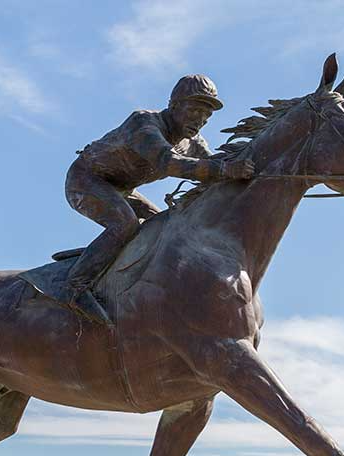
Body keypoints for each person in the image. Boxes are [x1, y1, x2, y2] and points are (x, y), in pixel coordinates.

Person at [62, 74, 255, 323]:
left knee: (162, 225)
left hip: (123, 189)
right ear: (174, 105)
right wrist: (225, 171)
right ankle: (75, 287)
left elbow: (212, 165)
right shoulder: (143, 123)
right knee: (125, 224)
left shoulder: (192, 141)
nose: (201, 120)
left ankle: (109, 259)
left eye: (206, 115)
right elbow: (169, 163)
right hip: (86, 181)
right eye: (195, 110)